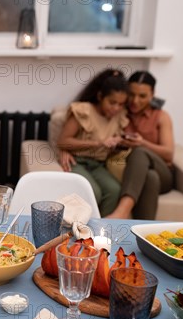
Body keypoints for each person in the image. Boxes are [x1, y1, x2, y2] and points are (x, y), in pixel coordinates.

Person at [56, 69, 129, 217]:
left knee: (114, 190)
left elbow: (109, 148)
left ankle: (104, 230)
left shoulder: (119, 116)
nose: (116, 108)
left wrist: (118, 145)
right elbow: (63, 141)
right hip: (77, 161)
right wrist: (99, 143)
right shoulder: (84, 111)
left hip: (98, 164)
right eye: (112, 103)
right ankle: (84, 230)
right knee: (92, 191)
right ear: (100, 96)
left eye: (121, 104)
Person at [106, 71, 174, 219]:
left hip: (163, 173)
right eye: (131, 94)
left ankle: (122, 211)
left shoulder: (161, 116)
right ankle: (143, 232)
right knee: (150, 177)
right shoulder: (119, 112)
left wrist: (142, 143)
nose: (135, 101)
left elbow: (169, 153)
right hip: (131, 173)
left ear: (152, 95)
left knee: (140, 151)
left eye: (142, 96)